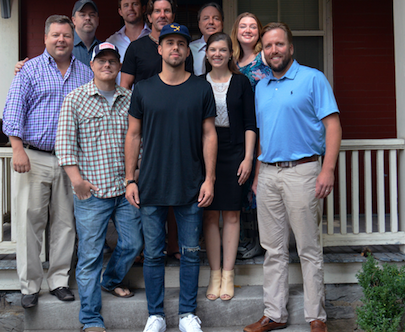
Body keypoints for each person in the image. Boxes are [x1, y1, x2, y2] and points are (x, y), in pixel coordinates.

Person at [244, 22, 341, 332]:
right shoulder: (260, 87)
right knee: (272, 249)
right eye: (268, 46)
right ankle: (274, 314)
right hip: (269, 174)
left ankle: (316, 317)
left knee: (308, 248)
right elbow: (263, 135)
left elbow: (333, 126)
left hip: (304, 171)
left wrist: (327, 168)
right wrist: (259, 172)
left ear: (290, 47)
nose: (274, 50)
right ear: (263, 51)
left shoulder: (313, 79)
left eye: (279, 44)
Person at [125, 23, 217, 332]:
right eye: (169, 43)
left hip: (191, 183)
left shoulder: (201, 87)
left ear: (187, 50)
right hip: (150, 184)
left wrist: (210, 179)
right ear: (160, 49)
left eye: (181, 42)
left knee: (190, 254)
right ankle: (156, 316)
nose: (175, 47)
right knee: (153, 255)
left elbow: (208, 134)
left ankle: (187, 314)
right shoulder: (143, 88)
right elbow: (133, 135)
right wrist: (130, 179)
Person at [2, 15, 93, 308]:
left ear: (73, 38)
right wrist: (18, 149)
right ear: (45, 38)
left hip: (70, 161)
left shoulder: (85, 73)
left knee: (65, 224)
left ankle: (59, 281)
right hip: (35, 157)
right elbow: (13, 111)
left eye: (66, 35)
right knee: (31, 222)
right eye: (55, 35)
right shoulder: (29, 70)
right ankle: (29, 286)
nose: (61, 40)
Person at [55, 42, 143, 332]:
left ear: (119, 67)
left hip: (125, 187)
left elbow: (140, 141)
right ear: (92, 65)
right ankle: (91, 319)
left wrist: (137, 173)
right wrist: (76, 180)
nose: (107, 65)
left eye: (112, 61)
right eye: (101, 60)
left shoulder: (130, 99)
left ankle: (112, 279)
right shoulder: (75, 99)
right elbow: (65, 145)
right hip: (91, 192)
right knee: (90, 256)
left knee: (132, 243)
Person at [201, 32, 256, 302]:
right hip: (206, 153)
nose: (218, 54)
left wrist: (249, 157)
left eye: (223, 49)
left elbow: (250, 123)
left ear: (229, 53)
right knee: (210, 215)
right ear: (207, 53)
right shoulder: (198, 83)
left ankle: (229, 274)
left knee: (232, 214)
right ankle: (214, 275)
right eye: (213, 49)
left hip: (235, 151)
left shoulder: (242, 82)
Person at [230, 12, 272, 260]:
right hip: (241, 128)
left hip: (263, 127)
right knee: (242, 184)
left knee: (259, 184)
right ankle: (245, 239)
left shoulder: (264, 57)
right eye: (243, 26)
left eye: (253, 26)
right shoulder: (232, 61)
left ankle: (262, 241)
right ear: (236, 30)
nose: (247, 30)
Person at [120, 0, 193, 89]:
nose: (162, 15)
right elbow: (125, 87)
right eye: (157, 11)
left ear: (173, 16)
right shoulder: (135, 47)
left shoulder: (181, 48)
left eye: (166, 11)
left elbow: (190, 83)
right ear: (150, 17)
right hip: (145, 103)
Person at [14, 0, 101, 73]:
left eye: (92, 15)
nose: (88, 18)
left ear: (97, 20)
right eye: (82, 14)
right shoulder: (62, 46)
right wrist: (24, 69)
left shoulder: (104, 48)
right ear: (74, 20)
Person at [106, 0, 151, 86]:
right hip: (120, 99)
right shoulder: (112, 42)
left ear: (143, 9)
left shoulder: (153, 38)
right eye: (126, 5)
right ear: (120, 12)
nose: (130, 8)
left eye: (135, 4)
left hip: (149, 99)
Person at [190, 3, 224, 76]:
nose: (211, 22)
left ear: (222, 23)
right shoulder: (189, 49)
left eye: (216, 18)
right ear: (199, 24)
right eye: (206, 18)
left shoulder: (231, 48)